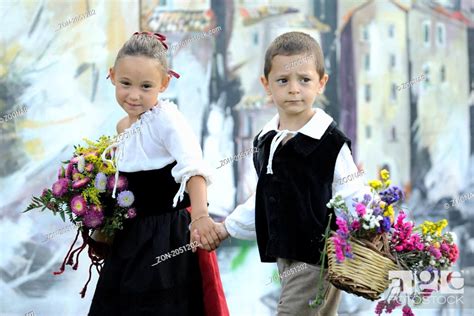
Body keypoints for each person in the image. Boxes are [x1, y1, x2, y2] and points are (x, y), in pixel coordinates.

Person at [198, 32, 371, 316]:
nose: (294, 89)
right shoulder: (266, 141)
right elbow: (264, 199)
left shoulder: (330, 143)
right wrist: (226, 227)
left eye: (304, 80)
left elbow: (351, 193)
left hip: (320, 258)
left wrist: (376, 230)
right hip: (286, 255)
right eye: (283, 81)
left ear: (321, 82)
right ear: (266, 85)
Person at [88, 31, 228, 316]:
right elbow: (124, 189)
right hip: (130, 237)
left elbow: (194, 169)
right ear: (112, 76)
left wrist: (200, 217)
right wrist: (102, 226)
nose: (134, 95)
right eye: (126, 83)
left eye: (146, 86)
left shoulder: (168, 120)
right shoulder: (122, 128)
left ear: (164, 83)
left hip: (166, 237)